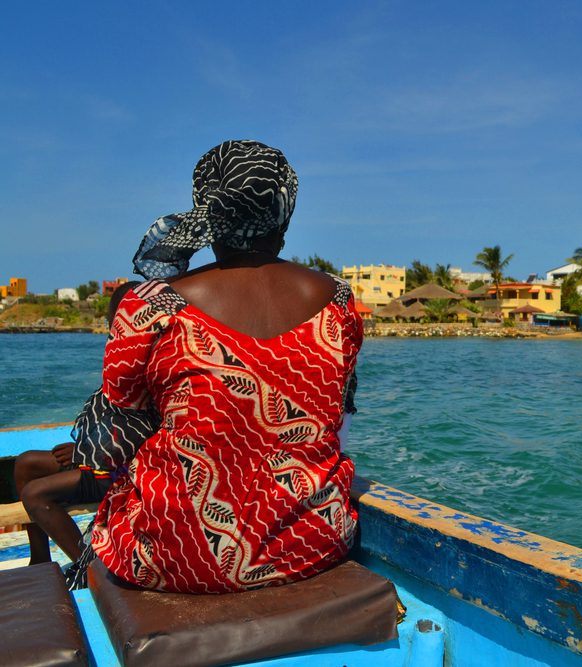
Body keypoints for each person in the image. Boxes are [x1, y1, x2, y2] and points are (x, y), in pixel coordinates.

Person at [67, 140, 363, 593]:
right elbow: (334, 410)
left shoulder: (151, 304)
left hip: (172, 557)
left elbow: (116, 436)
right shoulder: (339, 300)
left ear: (208, 214)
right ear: (284, 211)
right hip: (310, 545)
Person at [14, 281, 154, 565]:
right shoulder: (121, 355)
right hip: (101, 457)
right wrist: (84, 449)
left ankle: (87, 567)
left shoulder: (150, 359)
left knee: (35, 493)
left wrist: (83, 454)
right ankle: (40, 555)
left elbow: (141, 431)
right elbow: (113, 421)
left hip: (125, 470)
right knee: (26, 464)